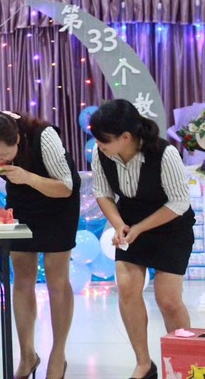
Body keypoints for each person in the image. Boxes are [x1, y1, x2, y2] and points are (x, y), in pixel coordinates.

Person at [0, 111, 80, 379]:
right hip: (22, 203)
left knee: (57, 281)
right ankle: (27, 354)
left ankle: (58, 354)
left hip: (58, 203)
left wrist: (27, 176)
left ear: (17, 139)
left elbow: (66, 187)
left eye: (5, 155)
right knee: (22, 280)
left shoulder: (44, 136)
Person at [89, 99, 194, 379]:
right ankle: (144, 364)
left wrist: (139, 228)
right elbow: (103, 192)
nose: (98, 145)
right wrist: (120, 225)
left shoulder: (164, 154)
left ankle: (184, 367)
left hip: (170, 225)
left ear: (126, 137)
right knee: (126, 288)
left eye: (104, 140)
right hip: (130, 221)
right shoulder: (101, 154)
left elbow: (179, 203)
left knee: (168, 299)